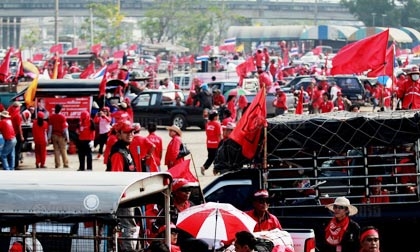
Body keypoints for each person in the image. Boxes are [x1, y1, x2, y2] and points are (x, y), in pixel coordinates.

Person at [48, 104, 70, 168]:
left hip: (54, 135)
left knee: (56, 150)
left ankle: (57, 164)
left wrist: (49, 137)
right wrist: (67, 138)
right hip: (61, 136)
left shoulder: (51, 117)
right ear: (61, 109)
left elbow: (50, 128)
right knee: (63, 150)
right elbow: (65, 128)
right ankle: (65, 164)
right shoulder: (63, 117)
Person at [200, 110, 222, 176]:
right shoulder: (217, 124)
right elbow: (219, 135)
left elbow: (207, 133)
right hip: (216, 144)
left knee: (211, 157)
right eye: (217, 115)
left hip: (209, 144)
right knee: (217, 157)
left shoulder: (208, 124)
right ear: (215, 117)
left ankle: (204, 167)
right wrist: (221, 143)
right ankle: (216, 170)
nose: (218, 117)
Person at [7, 101, 24, 169]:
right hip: (17, 134)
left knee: (11, 150)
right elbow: (19, 126)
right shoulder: (17, 115)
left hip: (11, 133)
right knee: (17, 150)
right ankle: (15, 164)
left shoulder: (10, 113)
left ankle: (11, 163)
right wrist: (21, 136)